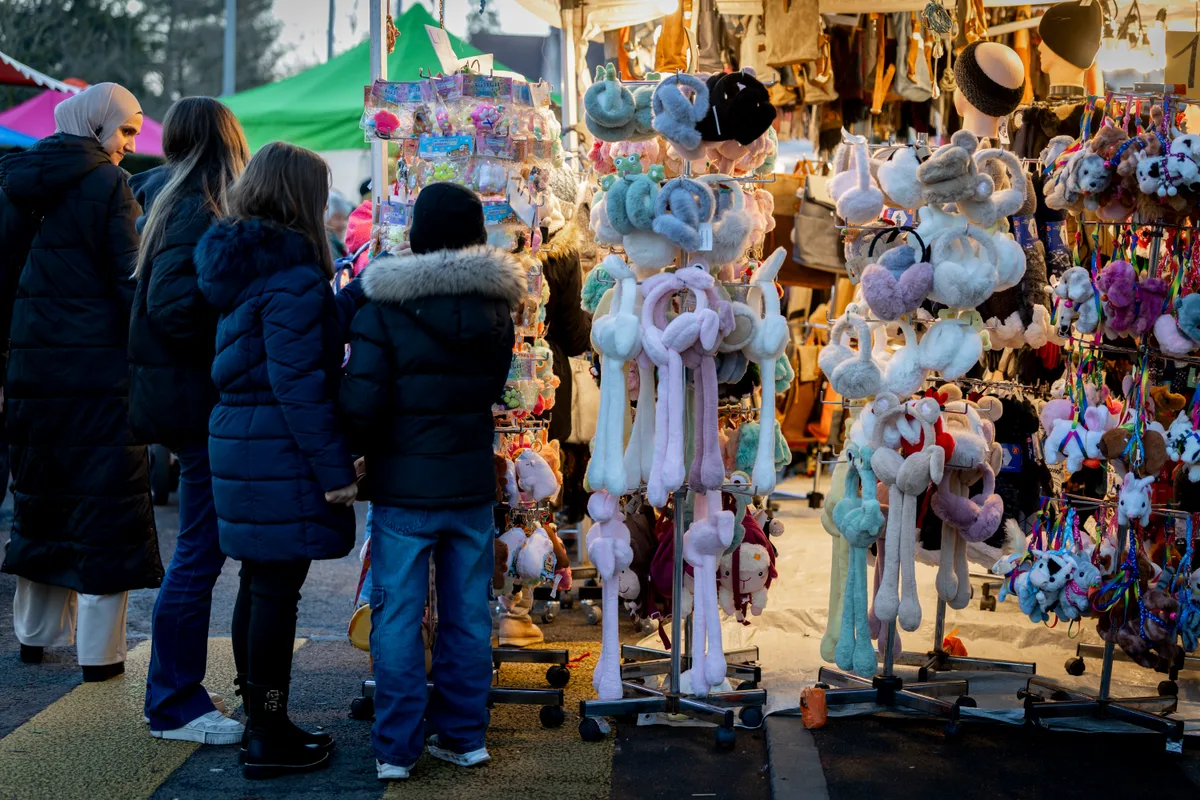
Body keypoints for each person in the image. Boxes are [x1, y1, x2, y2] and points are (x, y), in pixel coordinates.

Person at [339, 182, 523, 781]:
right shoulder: (496, 308)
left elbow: (361, 403)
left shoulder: (383, 306)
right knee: (468, 614)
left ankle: (396, 747)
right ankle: (464, 735)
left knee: (397, 614)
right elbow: (490, 389)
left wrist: (350, 450)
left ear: (416, 235)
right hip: (469, 482)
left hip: (403, 486)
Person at [195, 141, 363, 779]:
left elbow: (287, 344)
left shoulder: (249, 266)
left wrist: (352, 296)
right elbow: (297, 383)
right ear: (299, 197)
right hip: (277, 445)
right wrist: (335, 473)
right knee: (274, 591)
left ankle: (262, 721)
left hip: (245, 437)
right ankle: (268, 733)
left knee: (260, 583)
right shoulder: (292, 276)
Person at [0, 82, 160, 681]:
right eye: (125, 129)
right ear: (96, 125)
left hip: (32, 372)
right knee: (104, 507)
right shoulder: (109, 185)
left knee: (42, 501)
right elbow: (128, 281)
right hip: (97, 376)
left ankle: (34, 637)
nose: (130, 143)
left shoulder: (17, 182)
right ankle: (99, 656)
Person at [128, 97, 250, 745]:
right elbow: (174, 304)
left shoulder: (174, 199)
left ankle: (177, 692)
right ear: (228, 141)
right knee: (199, 554)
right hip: (196, 402)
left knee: (201, 552)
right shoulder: (196, 206)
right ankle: (174, 701)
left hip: (185, 398)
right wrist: (233, 319)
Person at [325, 190, 351, 261]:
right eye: (338, 218)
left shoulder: (337, 246)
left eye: (344, 218)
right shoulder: (329, 249)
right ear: (325, 220)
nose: (343, 224)